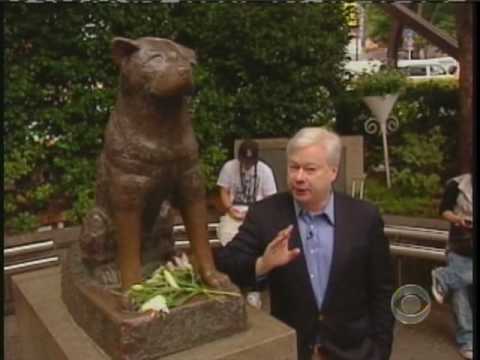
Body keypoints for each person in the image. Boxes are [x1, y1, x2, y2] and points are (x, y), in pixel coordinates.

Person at [216, 127, 394, 360]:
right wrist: (262, 264)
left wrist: (380, 350)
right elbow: (226, 262)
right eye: (293, 167)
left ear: (333, 171)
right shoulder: (266, 214)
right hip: (293, 350)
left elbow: (382, 290)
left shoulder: (364, 217)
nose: (299, 177)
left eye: (310, 169)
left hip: (355, 351)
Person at [216, 139, 277, 308]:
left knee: (258, 244)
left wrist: (255, 213)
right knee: (227, 240)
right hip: (234, 212)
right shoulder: (229, 167)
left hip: (256, 214)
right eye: (244, 161)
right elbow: (223, 191)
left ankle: (254, 288)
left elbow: (270, 200)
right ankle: (234, 282)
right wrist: (229, 208)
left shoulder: (265, 171)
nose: (247, 165)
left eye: (251, 161)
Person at [431, 172, 473, 359]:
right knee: (460, 294)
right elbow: (443, 210)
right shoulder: (456, 184)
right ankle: (467, 341)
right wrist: (458, 219)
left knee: (458, 280)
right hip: (461, 246)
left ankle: (444, 277)